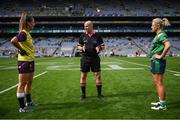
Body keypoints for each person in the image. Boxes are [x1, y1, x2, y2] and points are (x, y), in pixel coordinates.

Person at [11, 12, 37, 112]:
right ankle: (22, 108)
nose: (34, 24)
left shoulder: (27, 33)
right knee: (22, 84)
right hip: (24, 62)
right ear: (28, 23)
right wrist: (21, 50)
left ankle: (29, 102)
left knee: (29, 83)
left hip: (30, 61)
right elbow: (13, 40)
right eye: (33, 22)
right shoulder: (23, 33)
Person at [77, 20, 105, 100]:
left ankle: (99, 95)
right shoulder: (82, 36)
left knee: (98, 76)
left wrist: (99, 47)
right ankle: (83, 95)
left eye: (86, 26)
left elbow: (103, 46)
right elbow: (78, 46)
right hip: (85, 58)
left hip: (95, 58)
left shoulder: (98, 35)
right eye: (84, 26)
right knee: (83, 76)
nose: (85, 28)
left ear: (91, 26)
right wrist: (81, 47)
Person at [150, 18, 171, 110]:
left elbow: (168, 45)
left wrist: (161, 56)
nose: (151, 26)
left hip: (158, 61)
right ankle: (160, 101)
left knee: (159, 83)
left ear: (158, 26)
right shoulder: (158, 35)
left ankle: (163, 105)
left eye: (152, 24)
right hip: (155, 61)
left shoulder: (161, 34)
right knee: (156, 83)